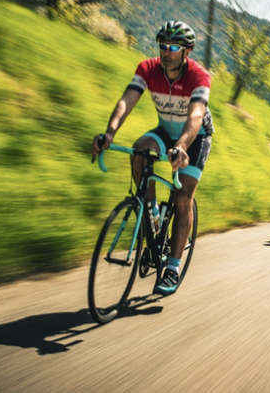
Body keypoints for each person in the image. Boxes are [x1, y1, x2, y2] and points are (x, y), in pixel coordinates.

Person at [91, 20, 214, 296]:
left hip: (194, 138)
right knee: (139, 149)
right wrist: (109, 133)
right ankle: (152, 213)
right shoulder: (147, 68)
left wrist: (181, 145)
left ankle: (172, 267)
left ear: (187, 51)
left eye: (173, 47)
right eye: (162, 46)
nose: (166, 52)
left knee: (183, 198)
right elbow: (126, 101)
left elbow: (195, 116)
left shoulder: (199, 76)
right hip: (164, 132)